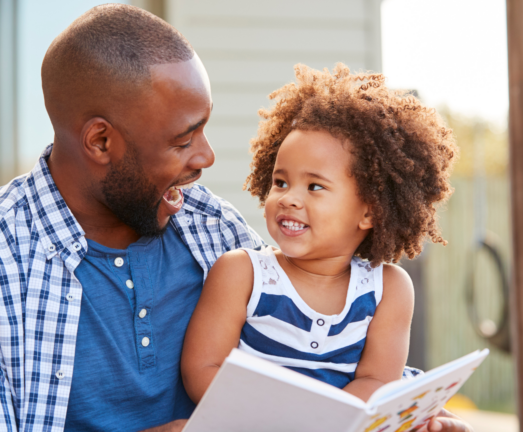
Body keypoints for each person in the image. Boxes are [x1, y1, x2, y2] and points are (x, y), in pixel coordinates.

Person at [0, 5, 474, 432]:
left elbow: (313, 351)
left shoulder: (210, 229)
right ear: (101, 140)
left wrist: (410, 410)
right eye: (182, 139)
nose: (206, 158)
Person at [181, 64, 460, 430]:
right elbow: (202, 368)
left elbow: (377, 380)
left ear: (370, 211)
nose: (289, 198)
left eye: (314, 187)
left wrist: (323, 422)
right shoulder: (242, 273)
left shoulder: (387, 289)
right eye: (280, 182)